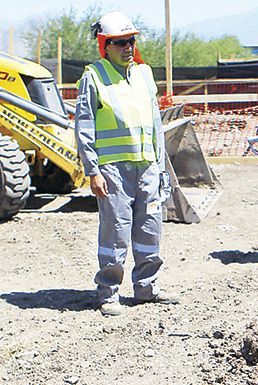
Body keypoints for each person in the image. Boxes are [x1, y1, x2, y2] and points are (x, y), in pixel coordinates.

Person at [75, 12, 178, 317]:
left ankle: (147, 288)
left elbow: (155, 125)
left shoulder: (144, 74)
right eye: (120, 42)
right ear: (105, 45)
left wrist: (160, 167)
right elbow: (84, 127)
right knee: (116, 231)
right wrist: (92, 170)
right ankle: (108, 292)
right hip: (112, 170)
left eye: (130, 40)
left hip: (147, 165)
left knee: (150, 228)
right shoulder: (93, 76)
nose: (127, 47)